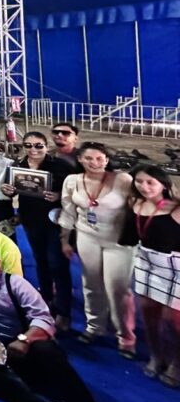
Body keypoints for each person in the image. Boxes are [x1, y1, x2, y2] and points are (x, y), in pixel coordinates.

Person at [0, 241, 98, 402]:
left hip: (23, 345)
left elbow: (44, 318)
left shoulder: (16, 284)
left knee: (46, 349)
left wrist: (24, 340)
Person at [59, 141, 136, 356]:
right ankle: (95, 327)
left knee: (118, 289)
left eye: (100, 158)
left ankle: (126, 336)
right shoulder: (72, 181)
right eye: (89, 158)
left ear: (107, 160)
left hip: (118, 241)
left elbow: (139, 205)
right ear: (80, 159)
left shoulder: (123, 180)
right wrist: (65, 240)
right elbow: (68, 212)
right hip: (87, 237)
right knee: (91, 284)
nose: (95, 163)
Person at [1, 131, 76, 332]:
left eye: (38, 145)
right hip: (30, 221)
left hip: (55, 222)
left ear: (46, 146)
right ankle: (46, 301)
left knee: (57, 265)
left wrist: (59, 196)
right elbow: (10, 191)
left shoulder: (60, 166)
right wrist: (7, 191)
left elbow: (74, 191)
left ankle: (64, 311)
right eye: (28, 145)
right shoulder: (17, 165)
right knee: (40, 262)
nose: (33, 149)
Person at [119, 165, 180, 387]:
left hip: (176, 267)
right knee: (149, 316)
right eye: (139, 181)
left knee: (173, 321)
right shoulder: (135, 205)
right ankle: (156, 355)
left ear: (163, 184)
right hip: (146, 263)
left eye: (150, 182)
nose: (144, 187)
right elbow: (128, 238)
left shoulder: (177, 209)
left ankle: (176, 363)